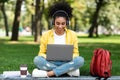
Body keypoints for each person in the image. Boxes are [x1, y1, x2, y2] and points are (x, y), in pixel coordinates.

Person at [32, 2, 84, 77]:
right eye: (57, 23)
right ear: (53, 22)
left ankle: (49, 73)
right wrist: (48, 57)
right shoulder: (46, 35)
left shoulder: (72, 35)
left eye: (63, 23)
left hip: (67, 62)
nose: (60, 26)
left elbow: (76, 53)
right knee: (37, 60)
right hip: (51, 62)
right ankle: (68, 71)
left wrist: (69, 57)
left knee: (80, 60)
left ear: (67, 23)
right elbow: (41, 53)